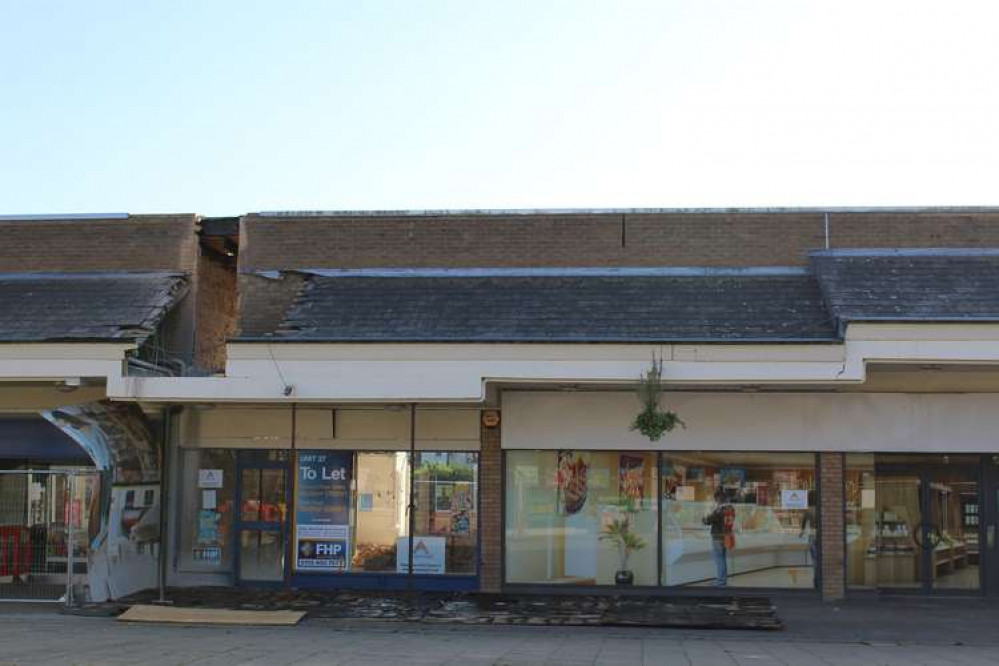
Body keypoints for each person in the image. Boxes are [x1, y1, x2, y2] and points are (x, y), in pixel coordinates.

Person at [703, 488, 734, 586]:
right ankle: (722, 579)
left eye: (716, 499)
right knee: (722, 558)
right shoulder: (731, 508)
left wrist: (704, 518)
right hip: (727, 536)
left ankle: (721, 581)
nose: (715, 501)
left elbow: (708, 521)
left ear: (718, 499)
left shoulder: (719, 510)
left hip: (718, 537)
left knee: (719, 559)